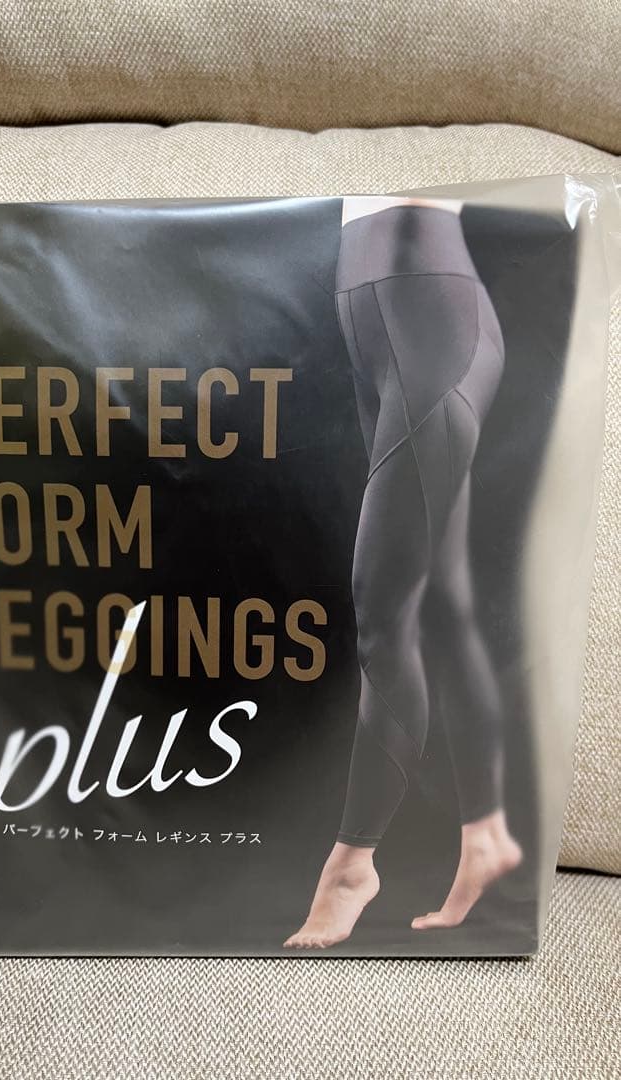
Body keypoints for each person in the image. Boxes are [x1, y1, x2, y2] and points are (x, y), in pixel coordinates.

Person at [284, 196, 523, 949]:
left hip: (432, 317)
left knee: (383, 609)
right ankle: (485, 835)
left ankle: (351, 866)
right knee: (443, 601)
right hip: (384, 320)